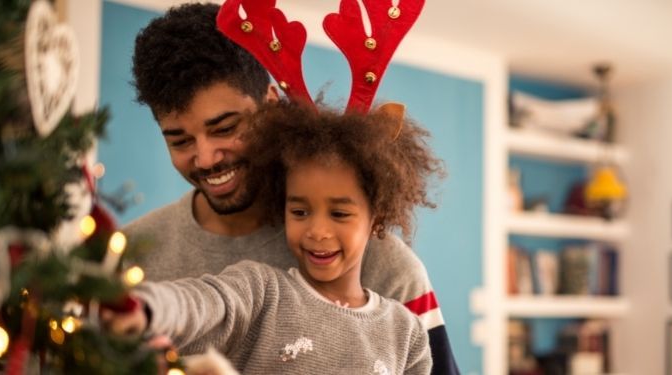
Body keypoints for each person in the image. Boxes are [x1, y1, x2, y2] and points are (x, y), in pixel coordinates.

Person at [124, 3, 460, 373]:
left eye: (224, 128)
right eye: (180, 141)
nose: (205, 159)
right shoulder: (130, 258)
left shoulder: (388, 270)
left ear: (270, 106)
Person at [110, 101, 440, 374]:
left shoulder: (406, 333)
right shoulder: (261, 291)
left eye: (339, 214)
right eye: (300, 212)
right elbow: (204, 303)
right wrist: (146, 308)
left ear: (376, 218)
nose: (318, 232)